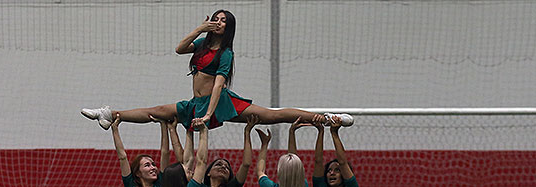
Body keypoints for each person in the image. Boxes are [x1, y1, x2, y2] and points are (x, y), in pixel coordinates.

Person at [81, 10, 353, 131]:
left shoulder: (226, 54)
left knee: (273, 116)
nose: (219, 22)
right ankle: (109, 114)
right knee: (158, 112)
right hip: (197, 102)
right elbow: (179, 48)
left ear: (229, 27)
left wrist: (209, 115)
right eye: (216, 18)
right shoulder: (201, 43)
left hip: (218, 102)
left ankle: (326, 118)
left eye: (224, 20)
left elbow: (219, 85)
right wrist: (199, 28)